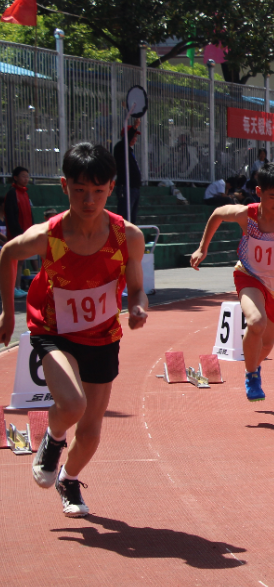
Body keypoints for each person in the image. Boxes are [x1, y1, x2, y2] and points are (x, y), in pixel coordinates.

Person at [0, 143, 148, 517]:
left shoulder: (127, 236)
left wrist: (137, 305)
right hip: (54, 330)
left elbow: (136, 284)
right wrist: (6, 314)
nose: (88, 200)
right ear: (65, 186)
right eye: (80, 190)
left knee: (93, 431)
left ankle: (68, 479)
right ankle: (52, 440)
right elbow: (7, 255)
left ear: (111, 188)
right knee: (73, 404)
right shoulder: (47, 235)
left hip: (102, 336)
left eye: (98, 191)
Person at [190, 162, 274, 401]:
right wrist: (202, 248)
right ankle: (252, 375)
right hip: (249, 275)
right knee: (256, 322)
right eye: (273, 196)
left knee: (268, 343)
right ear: (259, 192)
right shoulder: (248, 214)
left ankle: (254, 365)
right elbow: (217, 214)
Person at [4, 166, 34, 298]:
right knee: (15, 261)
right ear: (15, 178)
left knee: (21, 261)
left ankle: (17, 287)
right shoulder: (12, 193)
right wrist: (18, 234)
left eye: (27, 176)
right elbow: (11, 216)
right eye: (23, 176)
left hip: (26, 233)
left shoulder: (25, 193)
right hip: (17, 234)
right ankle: (11, 289)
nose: (26, 179)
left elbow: (29, 214)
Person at [113, 124, 142, 223]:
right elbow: (125, 140)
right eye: (132, 135)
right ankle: (120, 237)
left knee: (131, 219)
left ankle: (129, 238)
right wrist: (135, 126)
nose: (134, 138)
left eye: (136, 136)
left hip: (134, 189)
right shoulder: (120, 147)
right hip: (125, 187)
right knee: (124, 217)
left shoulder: (130, 151)